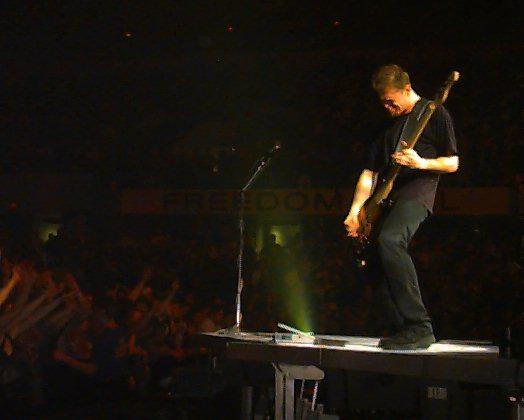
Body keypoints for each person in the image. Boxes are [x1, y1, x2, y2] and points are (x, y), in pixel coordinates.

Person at [344, 64, 459, 350]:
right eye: (382, 102)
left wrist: (421, 163)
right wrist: (355, 211)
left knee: (391, 240)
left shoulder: (434, 113)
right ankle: (401, 327)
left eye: (390, 101)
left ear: (407, 89)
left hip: (417, 191)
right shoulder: (385, 125)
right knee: (370, 259)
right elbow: (369, 172)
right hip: (386, 197)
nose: (386, 107)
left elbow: (452, 162)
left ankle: (420, 326)